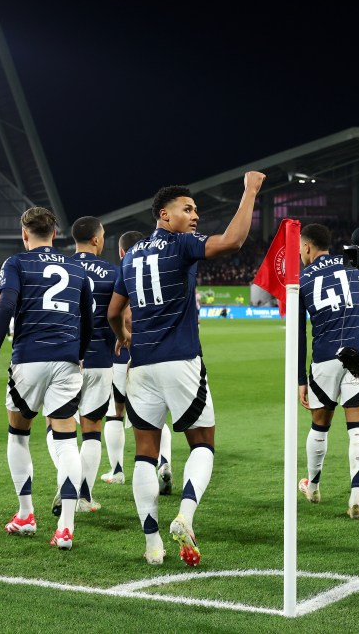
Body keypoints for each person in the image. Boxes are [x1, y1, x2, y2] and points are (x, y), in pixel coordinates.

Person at [108, 170, 266, 566]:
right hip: (180, 362)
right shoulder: (180, 246)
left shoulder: (131, 256)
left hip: (140, 367)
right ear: (164, 214)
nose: (195, 216)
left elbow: (112, 312)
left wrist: (124, 335)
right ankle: (186, 515)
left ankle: (152, 545)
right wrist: (250, 191)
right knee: (203, 442)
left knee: (145, 453)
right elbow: (233, 241)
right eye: (188, 209)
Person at [0, 206, 92, 551]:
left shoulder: (16, 263)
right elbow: (88, 318)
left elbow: (4, 307)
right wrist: (81, 353)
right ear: (55, 234)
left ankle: (26, 514)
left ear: (25, 234)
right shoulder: (77, 266)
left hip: (29, 357)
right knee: (65, 442)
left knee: (18, 435)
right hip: (66, 360)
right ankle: (66, 527)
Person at [296, 223, 359, 518]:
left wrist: (300, 379)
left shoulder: (301, 280)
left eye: (300, 247)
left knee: (319, 424)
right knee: (358, 428)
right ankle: (356, 497)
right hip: (357, 355)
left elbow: (298, 335)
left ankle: (313, 486)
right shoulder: (354, 267)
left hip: (324, 359)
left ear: (308, 247)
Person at [47, 216, 118, 516]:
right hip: (101, 358)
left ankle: (67, 483)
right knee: (92, 430)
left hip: (65, 357)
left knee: (55, 426)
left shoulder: (60, 268)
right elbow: (122, 315)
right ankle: (82, 495)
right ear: (97, 239)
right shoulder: (113, 271)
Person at [100, 230, 176, 493]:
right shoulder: (162, 272)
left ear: (121, 252)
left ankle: (117, 470)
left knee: (115, 411)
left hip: (122, 353)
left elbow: (113, 314)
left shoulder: (118, 274)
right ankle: (164, 461)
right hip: (155, 353)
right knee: (154, 416)